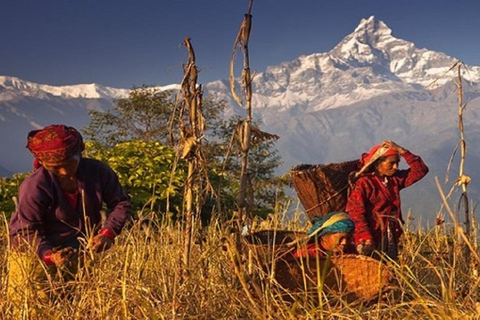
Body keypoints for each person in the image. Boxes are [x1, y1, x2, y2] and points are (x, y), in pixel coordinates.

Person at [7, 124, 131, 311]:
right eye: (56, 167)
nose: (65, 171)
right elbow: (26, 229)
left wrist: (108, 233)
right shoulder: (35, 186)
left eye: (70, 163)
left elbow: (121, 203)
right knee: (37, 309)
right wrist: (50, 255)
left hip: (76, 250)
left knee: (77, 306)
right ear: (43, 163)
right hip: (33, 253)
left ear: (79, 153)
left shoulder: (98, 172)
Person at [345, 140, 428, 260]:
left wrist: (402, 150)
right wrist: (366, 237)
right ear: (377, 163)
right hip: (370, 238)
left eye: (397, 163)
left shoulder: (394, 180)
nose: (395, 167)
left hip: (390, 235)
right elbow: (356, 212)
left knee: (389, 271)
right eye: (391, 163)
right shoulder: (364, 183)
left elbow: (420, 170)